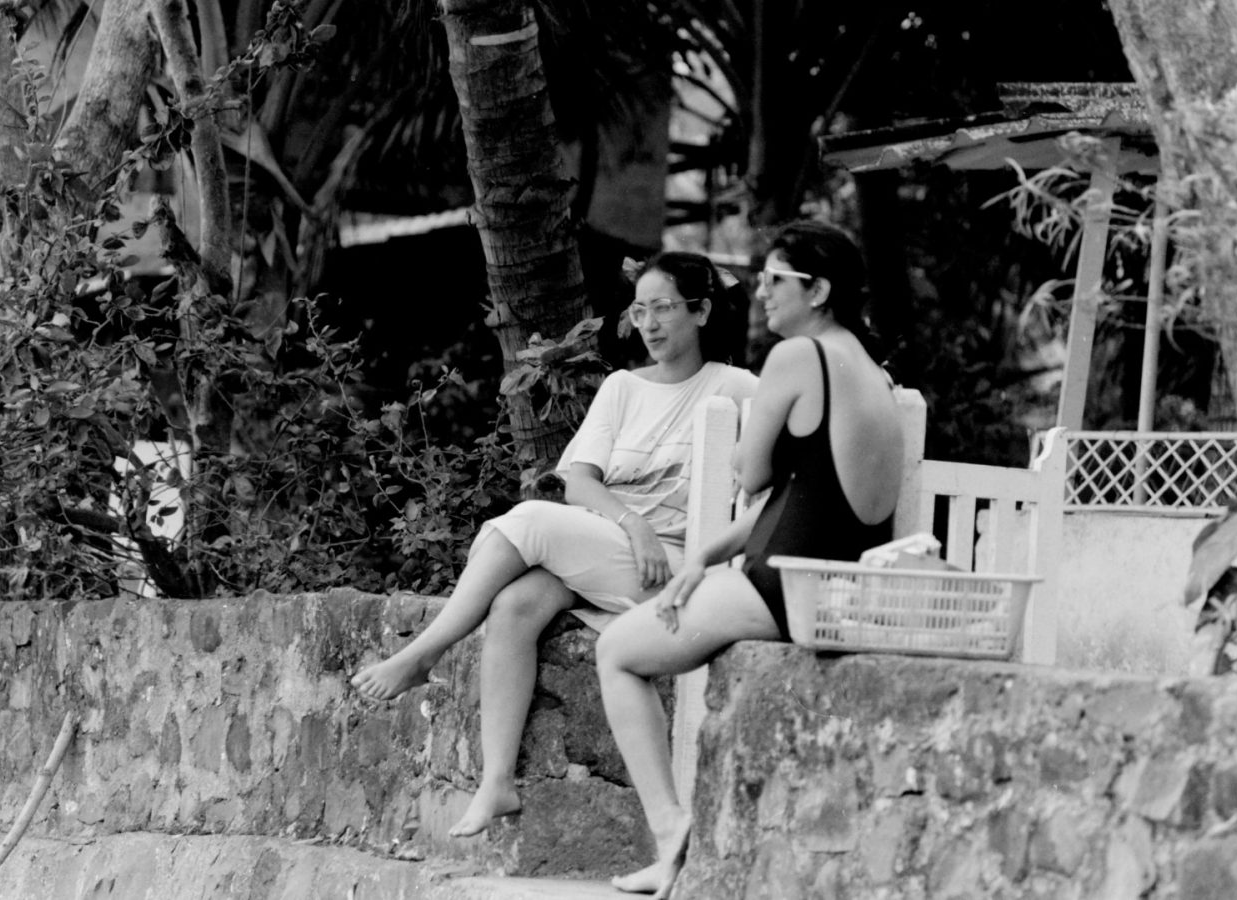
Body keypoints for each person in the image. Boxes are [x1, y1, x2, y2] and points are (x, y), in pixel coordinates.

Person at [351, 252, 757, 839]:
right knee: (516, 604)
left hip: (670, 572)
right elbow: (580, 481)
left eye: (664, 308)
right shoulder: (622, 388)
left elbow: (784, 453)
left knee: (531, 519)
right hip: (615, 548)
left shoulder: (736, 387)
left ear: (701, 311)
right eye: (639, 310)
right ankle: (497, 782)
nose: (648, 323)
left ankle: (423, 654)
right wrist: (634, 524)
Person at [595, 220, 904, 898]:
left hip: (781, 585)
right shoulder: (865, 365)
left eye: (775, 280)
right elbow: (810, 492)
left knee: (616, 651)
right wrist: (703, 557)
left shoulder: (798, 357)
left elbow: (753, 473)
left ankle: (670, 829)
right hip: (832, 582)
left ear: (817, 291)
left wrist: (749, 445)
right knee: (637, 638)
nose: (761, 293)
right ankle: (670, 841)